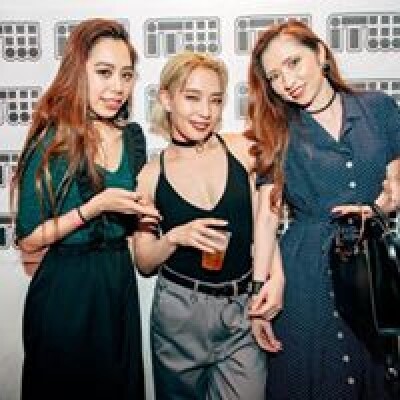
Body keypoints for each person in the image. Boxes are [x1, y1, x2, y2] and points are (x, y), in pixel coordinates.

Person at [247, 20, 400, 400]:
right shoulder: (278, 130)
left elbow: (396, 180)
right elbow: (266, 216)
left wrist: (382, 206)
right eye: (275, 76)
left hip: (372, 269)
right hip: (306, 270)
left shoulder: (378, 108)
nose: (287, 81)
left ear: (319, 54)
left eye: (294, 62)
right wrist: (260, 291)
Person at [10, 18, 160, 400]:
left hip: (118, 284)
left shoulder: (133, 138)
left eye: (126, 75)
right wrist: (93, 208)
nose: (118, 87)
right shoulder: (53, 140)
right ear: (78, 72)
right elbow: (29, 239)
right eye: (104, 72)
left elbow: (137, 219)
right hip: (66, 291)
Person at [133, 51, 285, 400]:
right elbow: (144, 262)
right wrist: (175, 237)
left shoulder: (244, 150)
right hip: (179, 315)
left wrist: (273, 279)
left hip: (242, 308)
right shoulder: (150, 177)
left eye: (215, 100)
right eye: (192, 97)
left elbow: (265, 220)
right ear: (166, 99)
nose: (205, 112)